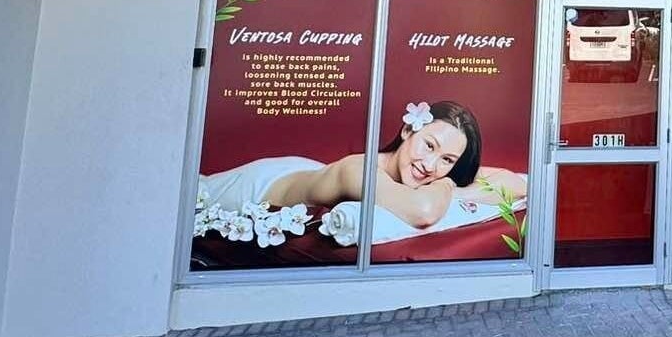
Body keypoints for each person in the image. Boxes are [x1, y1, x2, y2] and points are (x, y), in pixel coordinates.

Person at [198, 100, 527, 231]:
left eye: (447, 160)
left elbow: (518, 183)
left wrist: (452, 180)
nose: (430, 165)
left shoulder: (424, 172)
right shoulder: (359, 170)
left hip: (308, 169)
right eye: (429, 145)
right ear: (407, 130)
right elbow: (423, 211)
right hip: (249, 186)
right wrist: (449, 182)